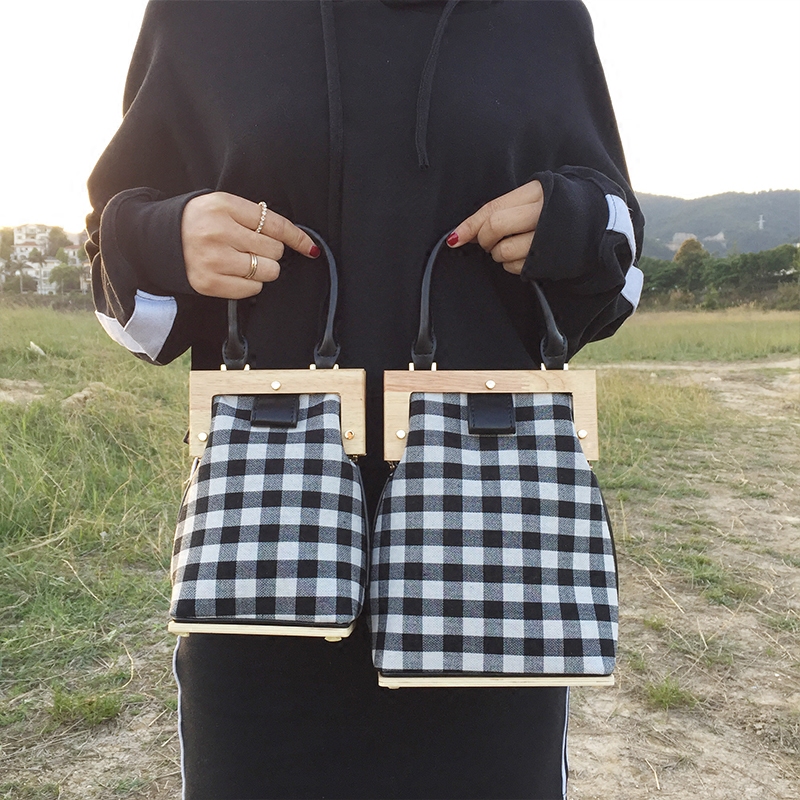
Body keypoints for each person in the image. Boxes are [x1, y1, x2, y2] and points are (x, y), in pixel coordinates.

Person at [86, 2, 644, 798]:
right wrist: (160, 237)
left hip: (491, 550)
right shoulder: (199, 13)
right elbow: (121, 277)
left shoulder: (542, 15)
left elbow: (618, 262)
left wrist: (578, 224)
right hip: (265, 545)